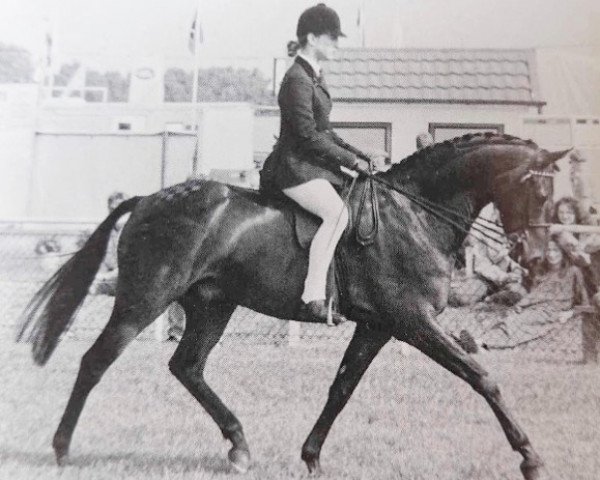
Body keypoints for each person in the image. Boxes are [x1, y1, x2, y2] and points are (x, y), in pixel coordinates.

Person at [259, 4, 386, 325]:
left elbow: (325, 131)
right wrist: (352, 162)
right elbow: (306, 137)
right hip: (293, 169)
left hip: (310, 166)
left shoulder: (314, 76)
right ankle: (312, 297)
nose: (336, 45)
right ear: (312, 38)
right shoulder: (297, 80)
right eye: (331, 39)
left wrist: (363, 154)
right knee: (337, 214)